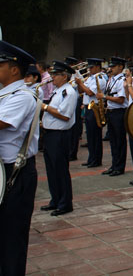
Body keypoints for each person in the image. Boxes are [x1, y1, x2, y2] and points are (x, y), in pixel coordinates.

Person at [0, 41, 39, 276]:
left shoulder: (22, 96)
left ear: (14, 69)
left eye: (0, 65)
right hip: (3, 170)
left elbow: (2, 123)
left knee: (12, 235)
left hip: (15, 173)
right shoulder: (5, 94)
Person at [40, 61, 77, 216]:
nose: (52, 77)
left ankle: (65, 203)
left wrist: (44, 107)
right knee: (51, 170)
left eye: (56, 74)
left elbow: (64, 115)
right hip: (50, 134)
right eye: (52, 74)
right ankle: (55, 199)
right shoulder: (57, 91)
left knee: (60, 170)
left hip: (59, 135)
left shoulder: (69, 92)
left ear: (64, 76)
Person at [98, 57, 128, 176]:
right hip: (111, 112)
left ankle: (119, 167)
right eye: (110, 66)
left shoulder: (121, 80)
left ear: (120, 67)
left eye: (113, 66)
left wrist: (104, 97)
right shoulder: (111, 79)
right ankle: (114, 165)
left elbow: (121, 100)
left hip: (119, 112)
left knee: (119, 141)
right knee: (113, 141)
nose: (111, 69)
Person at [75, 58, 107, 168]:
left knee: (95, 135)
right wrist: (79, 84)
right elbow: (81, 91)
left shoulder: (100, 78)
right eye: (89, 67)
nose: (90, 69)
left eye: (92, 67)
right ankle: (91, 158)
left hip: (95, 108)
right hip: (88, 107)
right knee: (90, 136)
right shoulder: (90, 78)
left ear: (98, 67)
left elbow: (89, 92)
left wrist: (80, 82)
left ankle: (96, 159)